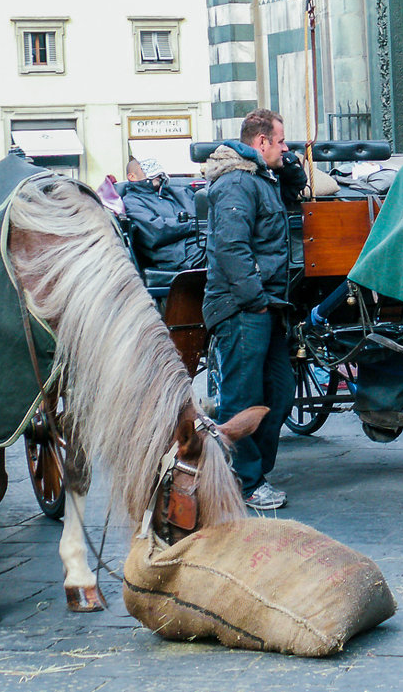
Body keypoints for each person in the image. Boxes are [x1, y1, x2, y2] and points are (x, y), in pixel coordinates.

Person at [200, 109, 296, 510]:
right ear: (261, 143)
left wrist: (292, 170)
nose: (286, 147)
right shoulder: (238, 183)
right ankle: (244, 483)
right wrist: (255, 299)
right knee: (243, 396)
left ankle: (255, 473)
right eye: (281, 141)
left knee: (280, 390)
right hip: (242, 307)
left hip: (262, 306)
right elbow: (231, 248)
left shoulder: (259, 179)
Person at [122, 156, 203, 272]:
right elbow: (155, 231)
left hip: (196, 243)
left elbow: (201, 213)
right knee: (218, 251)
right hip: (174, 254)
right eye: (148, 170)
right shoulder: (132, 202)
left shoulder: (177, 193)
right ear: (132, 177)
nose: (158, 175)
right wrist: (193, 225)